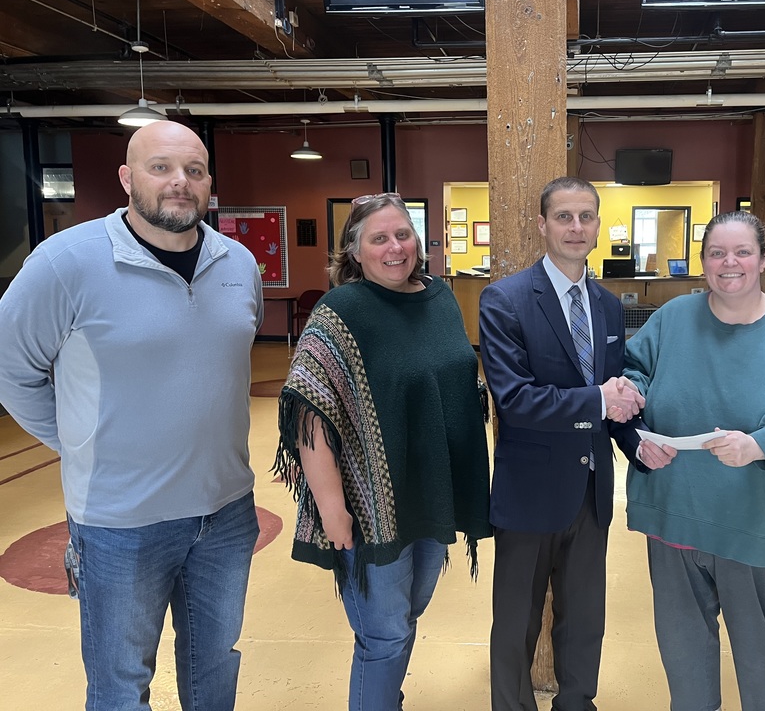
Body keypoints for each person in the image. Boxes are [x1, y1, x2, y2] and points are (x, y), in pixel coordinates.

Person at [0, 120, 264, 710]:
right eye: (161, 167)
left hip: (225, 515)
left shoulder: (237, 263)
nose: (179, 183)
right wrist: (81, 441)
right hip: (120, 525)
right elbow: (10, 371)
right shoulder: (65, 263)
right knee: (121, 690)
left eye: (194, 171)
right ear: (126, 178)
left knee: (215, 673)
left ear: (209, 185)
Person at [624, 211, 765, 711]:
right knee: (683, 654)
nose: (730, 264)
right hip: (675, 510)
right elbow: (633, 372)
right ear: (703, 261)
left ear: (764, 259)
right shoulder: (673, 317)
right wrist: (633, 413)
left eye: (743, 252)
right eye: (716, 253)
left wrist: (761, 443)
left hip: (758, 520)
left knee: (761, 655)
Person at [274, 192, 492, 711]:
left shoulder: (438, 297)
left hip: (430, 491)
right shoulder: (340, 312)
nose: (395, 247)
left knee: (407, 615)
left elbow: (455, 381)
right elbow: (310, 413)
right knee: (384, 634)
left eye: (403, 234)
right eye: (379, 238)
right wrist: (332, 511)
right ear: (354, 249)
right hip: (371, 505)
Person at [479, 176, 653, 711]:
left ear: (598, 225)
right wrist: (603, 402)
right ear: (542, 225)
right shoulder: (505, 300)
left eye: (585, 217)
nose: (575, 228)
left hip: (591, 488)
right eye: (563, 217)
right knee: (515, 623)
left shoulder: (604, 303)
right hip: (529, 492)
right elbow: (516, 400)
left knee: (585, 620)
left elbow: (614, 393)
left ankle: (577, 703)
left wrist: (637, 440)